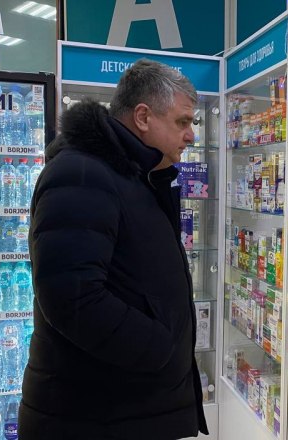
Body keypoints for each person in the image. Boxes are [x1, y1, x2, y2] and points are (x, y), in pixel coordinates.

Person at [19, 59, 208, 439]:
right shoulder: (82, 173)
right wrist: (161, 349)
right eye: (182, 122)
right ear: (143, 117)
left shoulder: (137, 176)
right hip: (91, 418)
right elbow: (71, 298)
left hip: (126, 410)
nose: (190, 136)